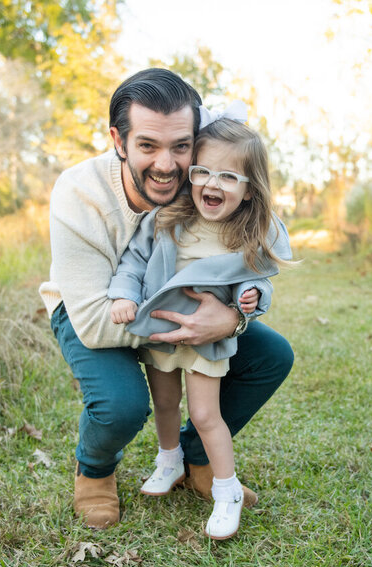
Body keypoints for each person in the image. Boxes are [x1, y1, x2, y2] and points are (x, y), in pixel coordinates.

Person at [39, 68, 294, 530]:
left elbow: (261, 226)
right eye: (147, 146)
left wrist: (233, 317)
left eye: (180, 146)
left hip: (180, 307)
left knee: (272, 355)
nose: (166, 164)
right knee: (123, 404)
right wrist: (196, 327)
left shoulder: (200, 178)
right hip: (96, 310)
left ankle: (197, 460)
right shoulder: (79, 193)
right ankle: (94, 473)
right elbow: (96, 324)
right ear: (119, 140)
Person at [107, 107, 292, 539]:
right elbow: (134, 261)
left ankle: (225, 489)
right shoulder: (168, 218)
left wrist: (249, 301)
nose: (212, 183)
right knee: (166, 402)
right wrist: (122, 293)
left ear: (249, 191)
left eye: (228, 177)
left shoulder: (245, 235)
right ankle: (169, 460)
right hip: (162, 328)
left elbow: (260, 282)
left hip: (208, 339)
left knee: (206, 414)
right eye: (203, 171)